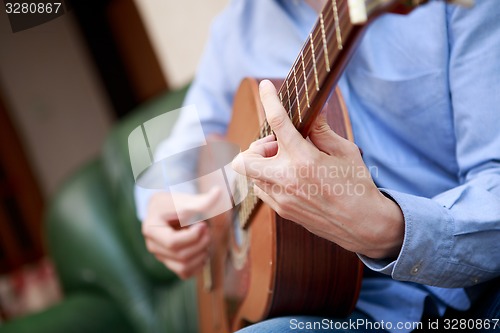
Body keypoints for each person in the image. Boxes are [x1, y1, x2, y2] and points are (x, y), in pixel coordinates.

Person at [135, 0, 500, 332]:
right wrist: (166, 199)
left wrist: (385, 229)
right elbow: (181, 148)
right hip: (329, 300)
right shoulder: (236, 27)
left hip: (475, 287)